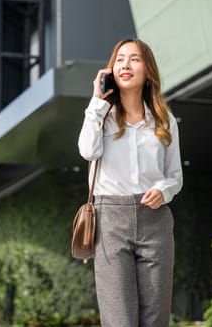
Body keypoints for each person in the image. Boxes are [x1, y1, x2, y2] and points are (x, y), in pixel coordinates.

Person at [77, 38, 183, 326]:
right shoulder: (102, 115)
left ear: (148, 70)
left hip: (155, 221)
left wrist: (163, 190)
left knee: (156, 318)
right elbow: (87, 150)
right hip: (111, 220)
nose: (125, 65)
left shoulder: (164, 120)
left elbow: (175, 176)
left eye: (134, 59)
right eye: (119, 59)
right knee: (119, 318)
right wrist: (97, 102)